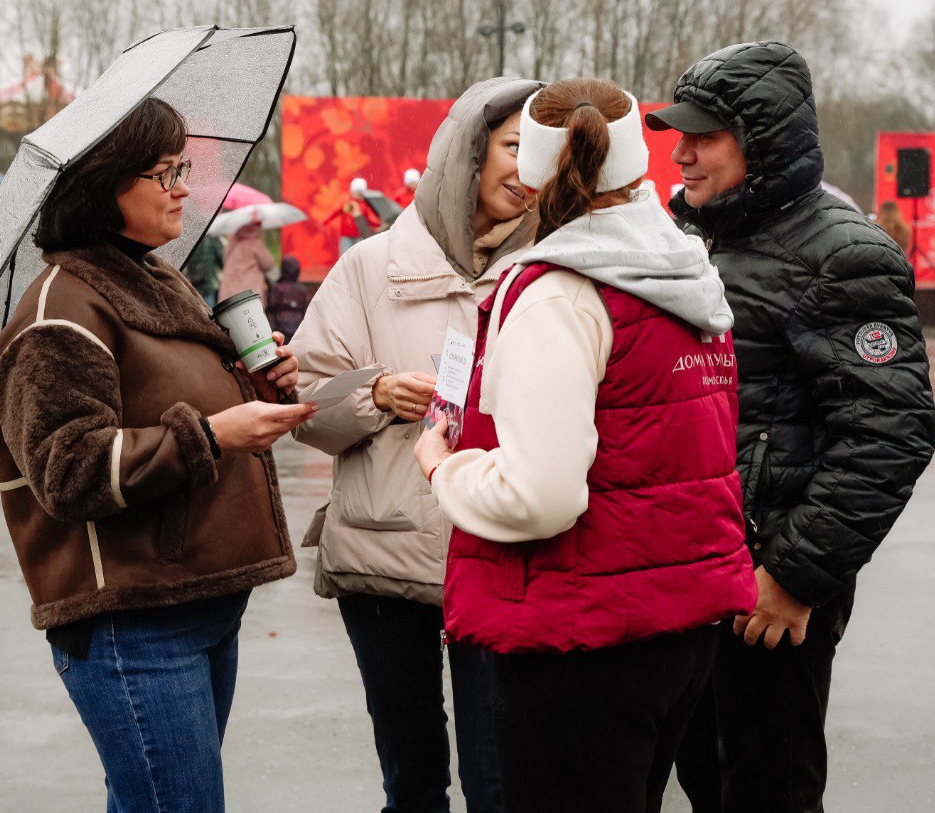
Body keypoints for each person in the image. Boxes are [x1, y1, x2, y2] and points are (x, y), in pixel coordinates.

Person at [414, 77, 757, 813]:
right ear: (638, 165)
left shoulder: (561, 293)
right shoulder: (688, 274)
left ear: (533, 174)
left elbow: (541, 496)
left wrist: (447, 468)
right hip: (678, 625)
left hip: (578, 639)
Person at [0, 97, 315, 813]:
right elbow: (66, 470)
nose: (184, 189)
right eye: (165, 172)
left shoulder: (152, 276)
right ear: (105, 185)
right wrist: (217, 433)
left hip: (196, 599)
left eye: (182, 168)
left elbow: (166, 392)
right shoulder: (60, 310)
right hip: (131, 621)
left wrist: (252, 379)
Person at [646, 41, 935, 813]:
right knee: (705, 780)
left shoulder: (843, 254)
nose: (681, 154)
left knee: (768, 790)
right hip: (693, 575)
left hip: (769, 588)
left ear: (761, 137)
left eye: (704, 136)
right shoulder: (693, 243)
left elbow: (890, 435)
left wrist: (796, 577)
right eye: (680, 136)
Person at [289, 76, 543, 813]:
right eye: (511, 147)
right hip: (384, 556)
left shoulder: (552, 272)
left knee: (502, 785)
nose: (526, 172)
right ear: (466, 149)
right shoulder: (371, 268)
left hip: (503, 553)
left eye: (540, 155)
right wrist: (372, 394)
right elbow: (305, 404)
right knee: (412, 780)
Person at [217, 219, 274, 302]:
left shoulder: (233, 242)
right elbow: (268, 264)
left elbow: (224, 259)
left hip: (228, 296)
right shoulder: (255, 243)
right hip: (248, 297)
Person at [323, 177, 381, 255]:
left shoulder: (366, 204)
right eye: (358, 191)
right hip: (346, 235)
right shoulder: (346, 201)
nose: (360, 194)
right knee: (344, 257)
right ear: (353, 191)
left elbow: (372, 221)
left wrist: (376, 224)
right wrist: (325, 221)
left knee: (359, 257)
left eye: (362, 191)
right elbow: (336, 211)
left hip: (360, 236)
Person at [265, 255, 309, 343]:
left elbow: (269, 306)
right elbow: (307, 309)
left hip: (281, 327)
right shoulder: (302, 290)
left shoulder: (278, 288)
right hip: (298, 327)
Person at [184, 232, 225, 307]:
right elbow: (222, 261)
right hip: (210, 282)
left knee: (206, 310)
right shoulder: (212, 238)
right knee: (216, 309)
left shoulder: (187, 240)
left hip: (194, 283)